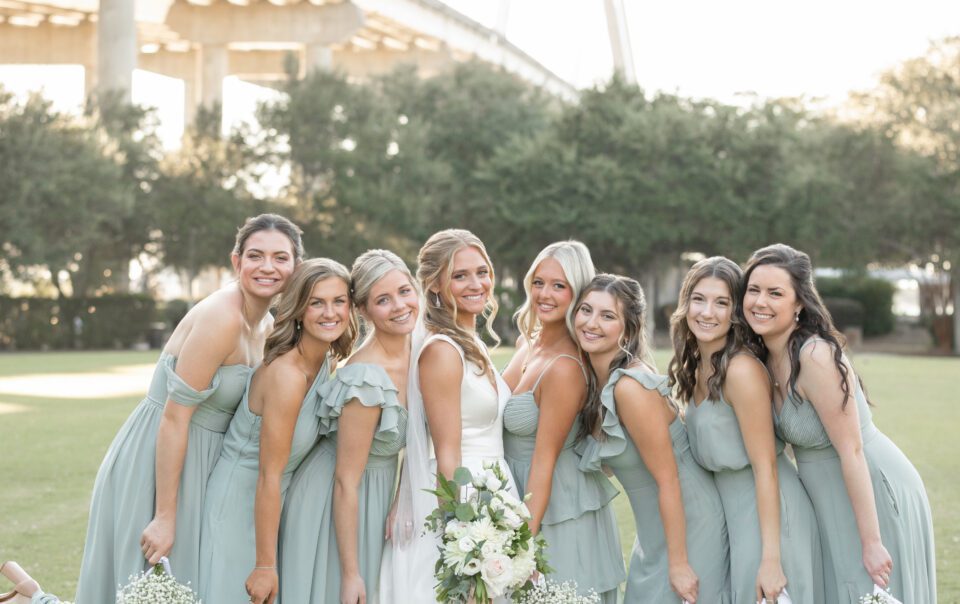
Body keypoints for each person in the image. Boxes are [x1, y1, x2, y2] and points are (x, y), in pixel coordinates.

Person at [75, 214, 302, 602]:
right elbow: (175, 417)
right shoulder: (222, 317)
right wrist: (165, 516)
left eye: (280, 258)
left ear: (295, 266)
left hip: (204, 465)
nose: (267, 266)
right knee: (153, 582)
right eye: (255, 255)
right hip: (159, 461)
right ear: (236, 261)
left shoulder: (266, 324)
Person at [742, 244, 936, 603]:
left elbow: (852, 450)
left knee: (867, 591)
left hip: (871, 490)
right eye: (753, 290)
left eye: (775, 293)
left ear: (799, 302)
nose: (760, 302)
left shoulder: (814, 356)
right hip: (826, 497)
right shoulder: (764, 359)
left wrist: (872, 541)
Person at [197, 258, 357, 604]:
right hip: (241, 503)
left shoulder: (324, 361)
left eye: (339, 301)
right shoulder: (287, 375)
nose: (330, 313)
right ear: (299, 308)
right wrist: (265, 564)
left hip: (270, 508)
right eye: (317, 302)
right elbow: (269, 475)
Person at [379, 229, 518, 603]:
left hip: (493, 490)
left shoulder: (471, 343)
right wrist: (463, 544)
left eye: (482, 271)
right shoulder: (442, 350)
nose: (476, 284)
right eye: (460, 275)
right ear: (435, 285)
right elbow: (445, 454)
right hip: (463, 496)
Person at [674, 256, 823, 604]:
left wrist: (771, 559)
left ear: (736, 312)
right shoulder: (698, 367)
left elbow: (766, 467)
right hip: (733, 516)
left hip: (769, 516)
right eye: (699, 299)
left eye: (722, 302)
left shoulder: (741, 371)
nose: (707, 312)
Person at [575, 273, 729, 603]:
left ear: (628, 330)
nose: (591, 323)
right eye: (586, 310)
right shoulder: (600, 383)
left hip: (690, 522)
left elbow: (668, 479)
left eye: (607, 316)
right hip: (655, 530)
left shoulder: (630, 387)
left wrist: (678, 563)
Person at [279, 250, 417, 604]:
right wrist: (350, 572)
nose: (399, 306)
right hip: (335, 502)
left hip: (376, 493)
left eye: (404, 291)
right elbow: (345, 480)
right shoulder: (365, 379)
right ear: (363, 310)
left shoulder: (420, 352)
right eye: (382, 300)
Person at [501, 241, 624, 602]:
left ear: (578, 292)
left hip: (554, 510)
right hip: (518, 494)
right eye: (539, 282)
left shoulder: (566, 367)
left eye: (559, 286)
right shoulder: (531, 342)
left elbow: (544, 459)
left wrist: (522, 545)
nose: (545, 293)